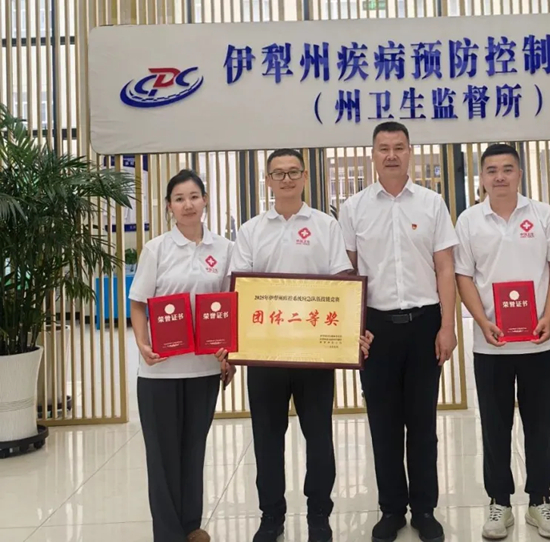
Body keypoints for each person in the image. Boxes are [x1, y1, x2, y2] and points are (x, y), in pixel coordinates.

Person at [227, 148, 373, 542]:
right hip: (264, 355)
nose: (287, 179)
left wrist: (354, 328)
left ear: (305, 177)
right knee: (267, 439)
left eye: (294, 172)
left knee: (319, 436)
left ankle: (319, 515)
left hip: (315, 354)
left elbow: (342, 283)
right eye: (279, 173)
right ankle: (271, 516)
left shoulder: (325, 226)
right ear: (268, 181)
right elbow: (240, 291)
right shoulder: (251, 231)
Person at [337, 121, 458, 542]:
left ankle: (424, 509)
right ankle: (391, 509)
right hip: (376, 330)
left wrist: (447, 326)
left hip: (424, 325)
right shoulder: (353, 208)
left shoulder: (432, 203)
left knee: (422, 423)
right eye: (383, 148)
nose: (391, 155)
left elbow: (445, 267)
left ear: (410, 152)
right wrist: (355, 329)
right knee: (383, 424)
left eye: (399, 147)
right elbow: (347, 273)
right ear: (372, 154)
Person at [453, 144, 550, 540]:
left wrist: (549, 316)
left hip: (540, 340)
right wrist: (481, 320)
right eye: (491, 170)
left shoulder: (544, 214)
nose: (499, 176)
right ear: (482, 177)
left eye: (507, 169)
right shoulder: (468, 220)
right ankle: (499, 502)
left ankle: (540, 501)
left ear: (519, 173)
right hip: (492, 343)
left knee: (540, 425)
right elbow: (463, 276)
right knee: (495, 426)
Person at [128, 169, 236, 542]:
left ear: (205, 200)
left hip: (204, 370)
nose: (187, 204)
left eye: (193, 196)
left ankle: (191, 526)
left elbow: (229, 305)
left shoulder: (224, 249)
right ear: (169, 206)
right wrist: (142, 344)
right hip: (160, 372)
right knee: (162, 458)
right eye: (179, 198)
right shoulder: (157, 248)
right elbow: (138, 303)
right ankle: (168, 534)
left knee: (193, 450)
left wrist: (228, 354)